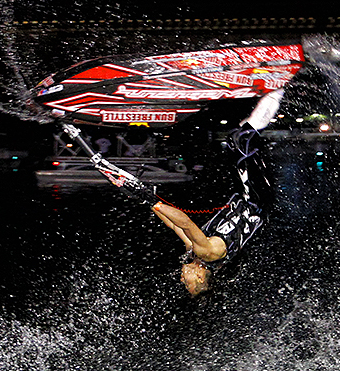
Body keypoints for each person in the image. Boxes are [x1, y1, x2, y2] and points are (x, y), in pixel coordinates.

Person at [61, 89, 284, 296]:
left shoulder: (194, 250)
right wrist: (155, 202)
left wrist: (149, 202)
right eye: (186, 281)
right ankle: (279, 86)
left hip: (247, 196)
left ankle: (270, 94)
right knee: (241, 139)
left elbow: (174, 225)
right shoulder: (209, 253)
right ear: (198, 276)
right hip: (256, 199)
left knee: (237, 138)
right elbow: (186, 222)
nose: (181, 277)